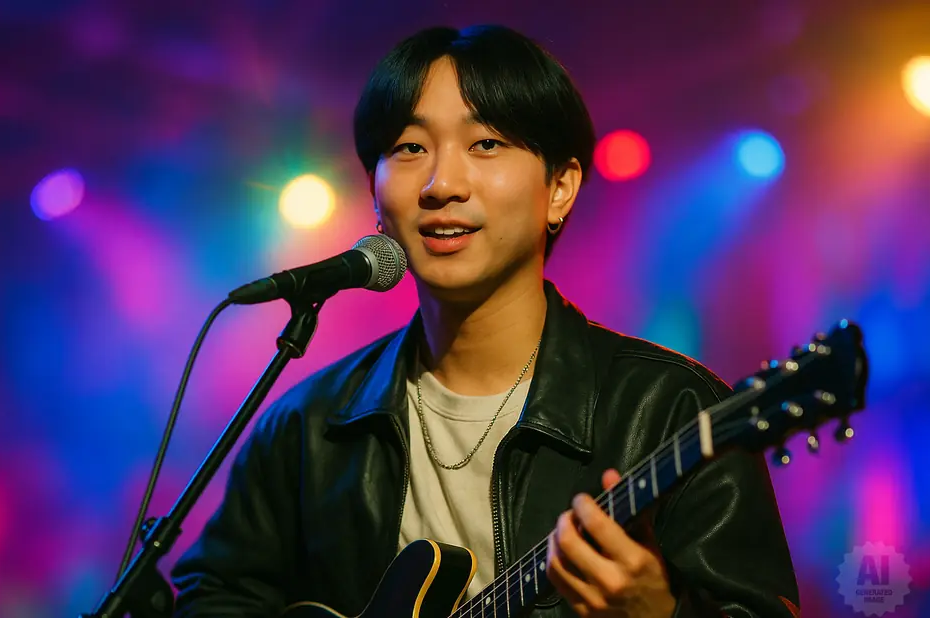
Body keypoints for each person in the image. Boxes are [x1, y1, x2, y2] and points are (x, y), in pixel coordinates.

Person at [171, 24, 800, 618]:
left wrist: (662, 612)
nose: (443, 183)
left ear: (560, 188)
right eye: (410, 148)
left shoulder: (673, 411)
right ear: (376, 196)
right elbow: (218, 593)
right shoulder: (308, 428)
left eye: (486, 144)